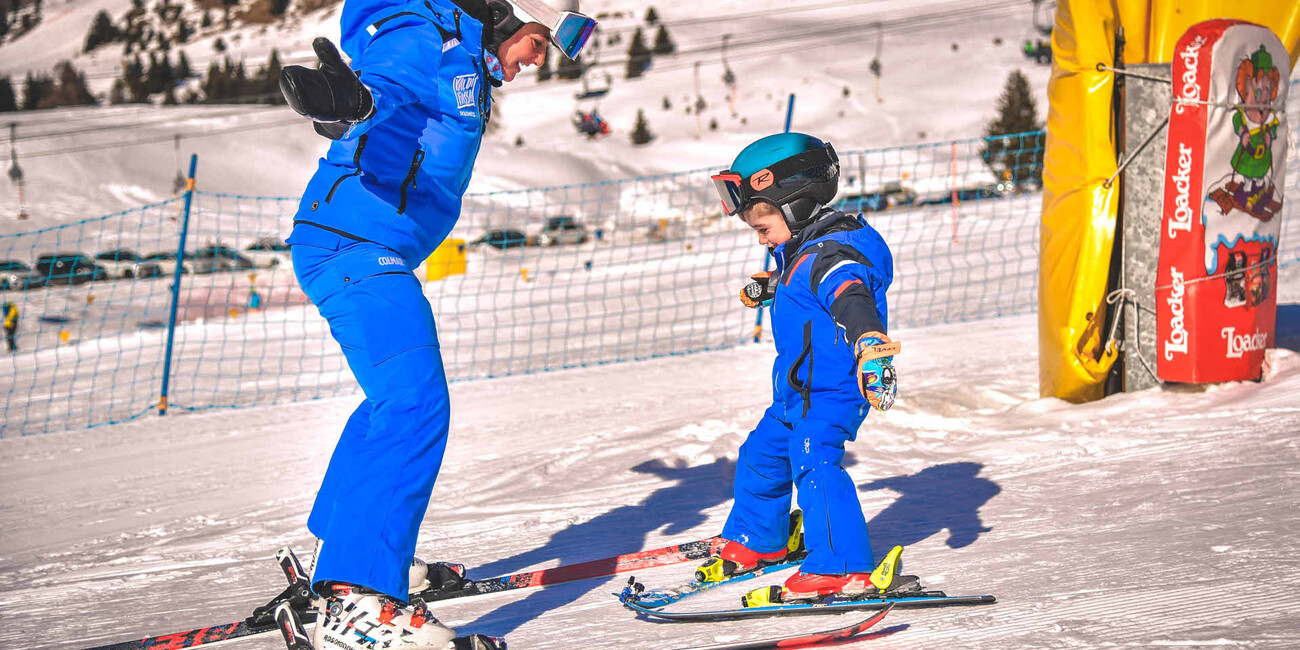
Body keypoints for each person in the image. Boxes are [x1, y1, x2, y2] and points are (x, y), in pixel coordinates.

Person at [277, 0, 595, 647]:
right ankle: (357, 597)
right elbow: (385, 87)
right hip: (354, 243)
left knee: (390, 402)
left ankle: (344, 551)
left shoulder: (463, 56)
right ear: (511, 12)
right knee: (415, 403)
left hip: (357, 241)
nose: (536, 60)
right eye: (539, 40)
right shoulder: (426, 36)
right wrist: (351, 102)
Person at [696, 133, 904, 603]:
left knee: (814, 460)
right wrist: (774, 287)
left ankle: (840, 567)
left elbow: (850, 299)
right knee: (761, 456)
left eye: (762, 225)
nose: (761, 236)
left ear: (797, 204)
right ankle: (760, 540)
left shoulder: (831, 258)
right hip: (796, 392)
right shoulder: (802, 252)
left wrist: (872, 346)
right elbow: (805, 285)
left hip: (833, 392)